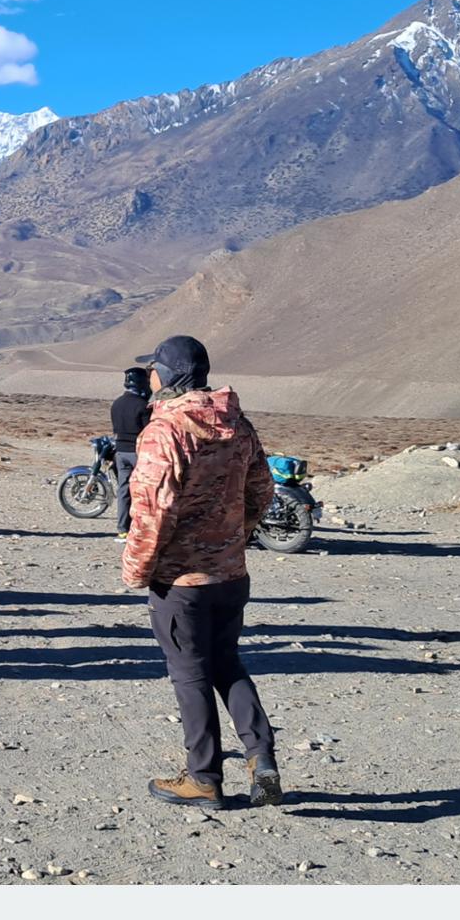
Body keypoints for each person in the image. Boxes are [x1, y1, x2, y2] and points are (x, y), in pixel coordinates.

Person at [121, 334, 282, 810]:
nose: (150, 376)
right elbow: (262, 489)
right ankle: (261, 758)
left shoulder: (165, 430)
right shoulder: (238, 424)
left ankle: (204, 778)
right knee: (227, 662)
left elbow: (152, 511)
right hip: (231, 575)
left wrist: (136, 570)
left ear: (169, 375)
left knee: (190, 674)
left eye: (154, 368)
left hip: (182, 581)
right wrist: (234, 535)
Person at [110, 366, 153, 536]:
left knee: (123, 490)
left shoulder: (117, 403)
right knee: (144, 490)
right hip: (137, 452)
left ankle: (122, 529)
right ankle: (143, 528)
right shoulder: (142, 405)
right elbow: (149, 430)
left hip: (120, 452)